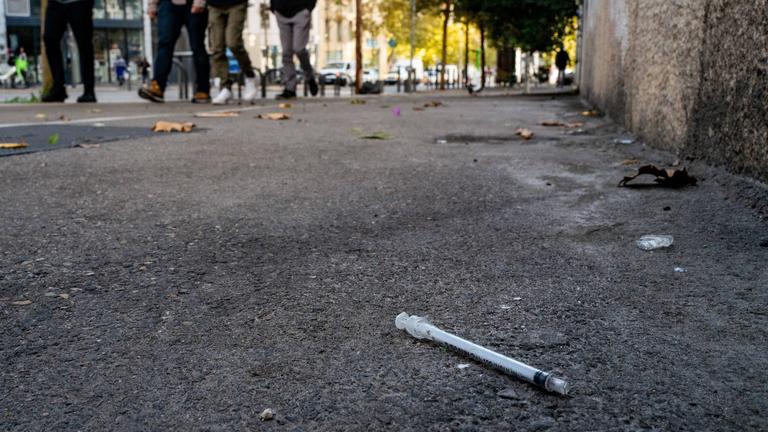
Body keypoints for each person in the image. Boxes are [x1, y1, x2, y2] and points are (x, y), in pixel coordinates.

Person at [139, 0, 210, 103]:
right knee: (164, 43)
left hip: (193, 3)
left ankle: (203, 90)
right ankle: (158, 86)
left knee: (197, 45)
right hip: (168, 4)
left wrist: (200, 1)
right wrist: (152, 4)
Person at [42, 0, 96, 103]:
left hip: (79, 2)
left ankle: (89, 90)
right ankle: (58, 88)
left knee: (84, 43)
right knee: (49, 39)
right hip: (56, 3)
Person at [208, 0, 258, 104]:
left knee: (233, 43)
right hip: (214, 6)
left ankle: (249, 76)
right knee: (217, 48)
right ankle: (225, 87)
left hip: (236, 3)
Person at [271, 0, 318, 100]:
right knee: (286, 52)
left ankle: (309, 75)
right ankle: (290, 88)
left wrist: (309, 7)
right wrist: (274, 7)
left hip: (301, 11)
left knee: (299, 49)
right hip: (281, 12)